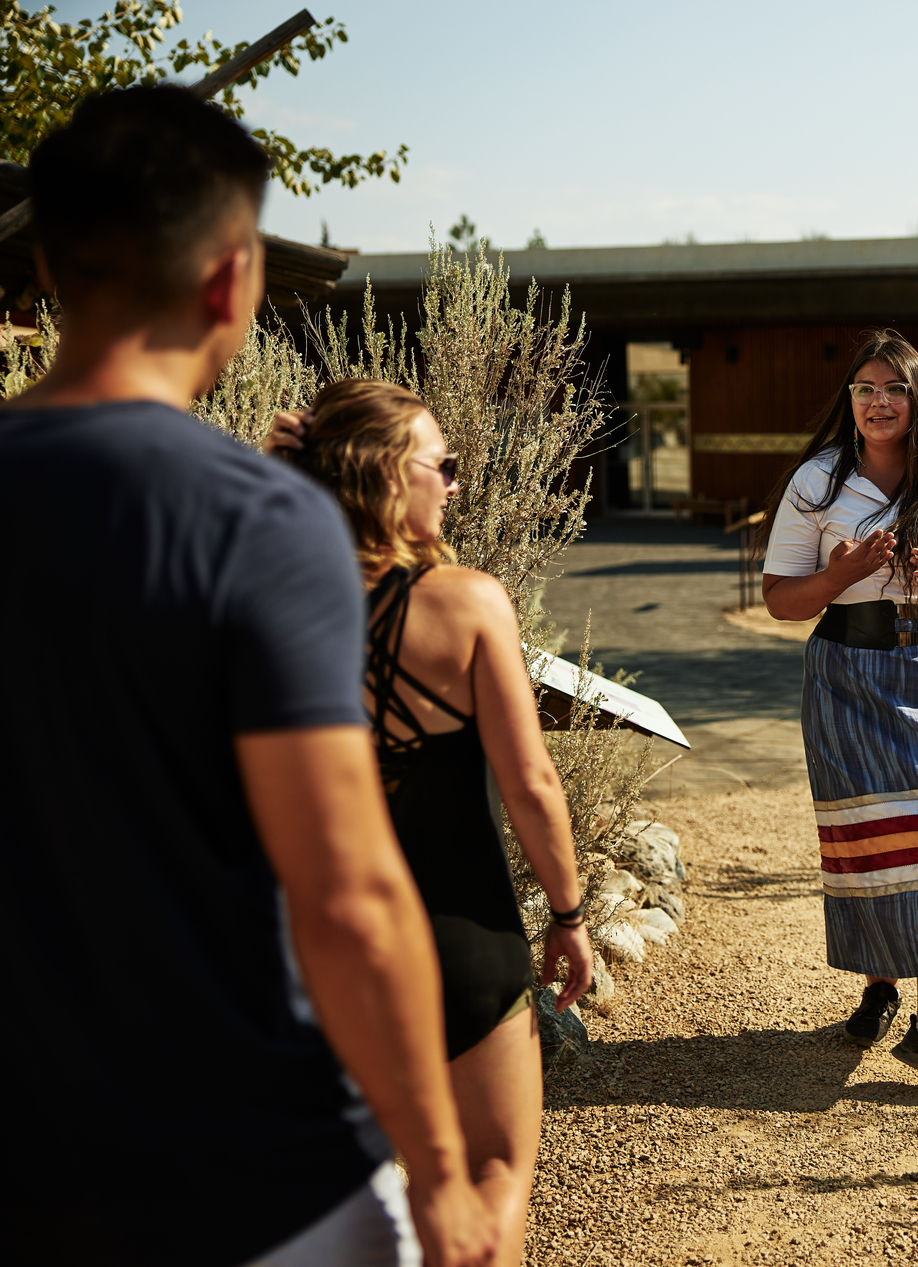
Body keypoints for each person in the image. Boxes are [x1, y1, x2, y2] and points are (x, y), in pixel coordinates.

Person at [0, 87, 495, 1265]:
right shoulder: (258, 521)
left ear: (50, 265)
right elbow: (345, 889)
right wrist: (438, 1174)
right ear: (232, 280)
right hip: (244, 1172)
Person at [270, 379, 594, 1266]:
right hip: (459, 935)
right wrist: (568, 916)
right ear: (384, 475)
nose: (454, 481)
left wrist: (276, 489)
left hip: (318, 947)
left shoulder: (269, 600)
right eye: (439, 463)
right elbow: (529, 782)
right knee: (490, 1172)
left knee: (338, 1201)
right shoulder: (467, 602)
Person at [760, 329, 918, 1096]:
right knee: (871, 841)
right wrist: (841, 573)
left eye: (893, 388)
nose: (878, 401)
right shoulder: (817, 481)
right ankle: (880, 984)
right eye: (865, 388)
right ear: (851, 400)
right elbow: (780, 599)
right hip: (849, 672)